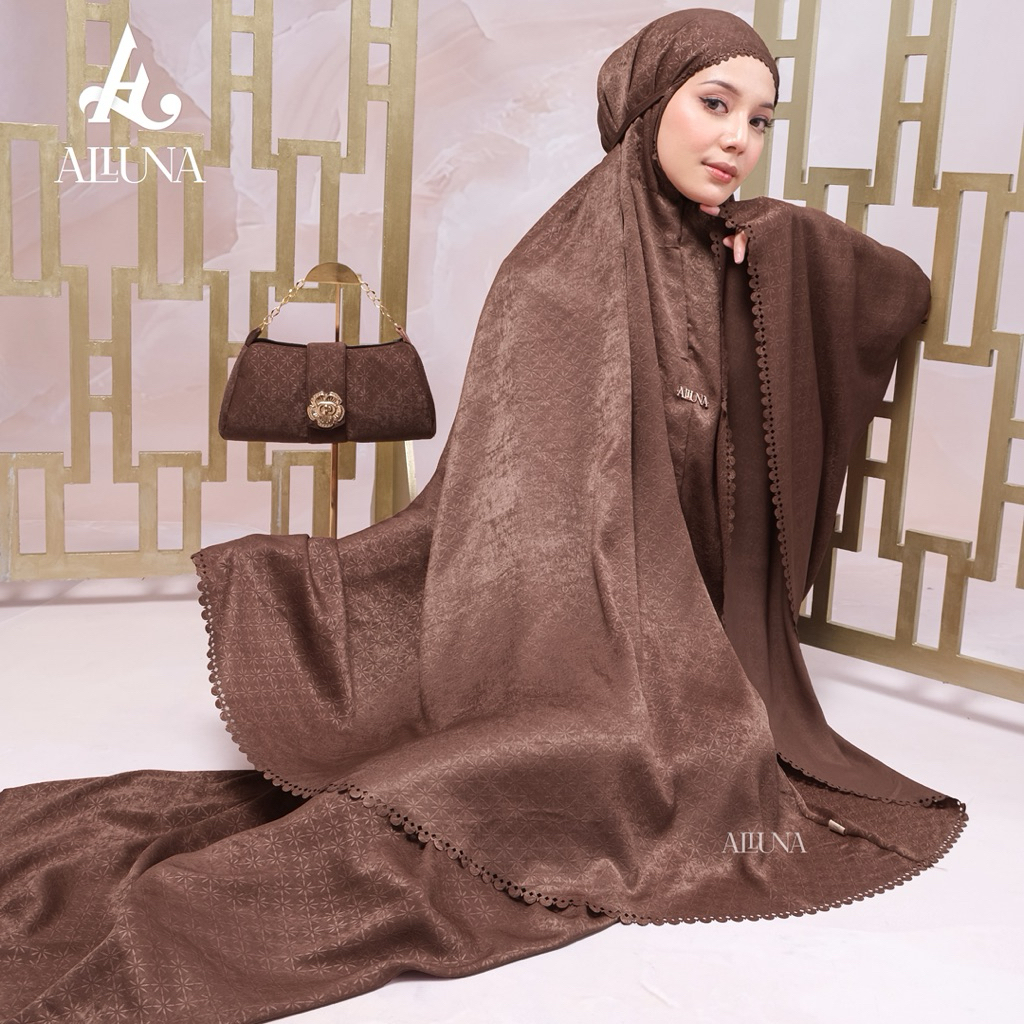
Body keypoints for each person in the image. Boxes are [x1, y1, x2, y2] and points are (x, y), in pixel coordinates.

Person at [0, 9, 966, 1023]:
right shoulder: (557, 275)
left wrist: (787, 232)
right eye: (714, 104)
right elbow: (524, 508)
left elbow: (894, 289)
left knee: (633, 759)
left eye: (760, 120)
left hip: (693, 628)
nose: (737, 139)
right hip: (572, 630)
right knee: (527, 770)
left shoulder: (738, 254)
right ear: (647, 108)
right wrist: (617, 638)